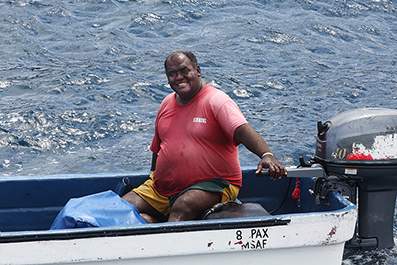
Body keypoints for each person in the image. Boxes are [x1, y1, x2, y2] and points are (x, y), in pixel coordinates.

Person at [122, 51, 287, 223]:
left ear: (198, 71)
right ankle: (154, 224)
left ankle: (168, 236)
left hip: (214, 184)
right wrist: (159, 176)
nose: (179, 77)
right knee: (120, 208)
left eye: (184, 71)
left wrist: (266, 155)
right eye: (172, 74)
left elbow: (243, 130)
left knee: (183, 205)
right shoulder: (166, 103)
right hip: (162, 189)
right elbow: (158, 148)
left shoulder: (216, 101)